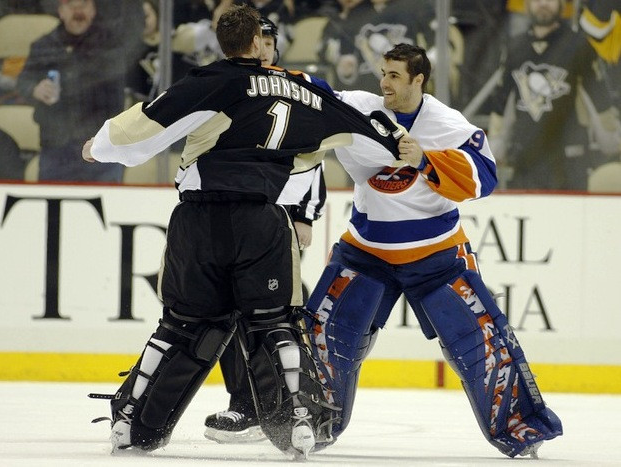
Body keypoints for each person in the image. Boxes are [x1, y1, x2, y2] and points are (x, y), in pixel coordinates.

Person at [203, 43, 564, 458]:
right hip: (366, 251)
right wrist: (267, 72)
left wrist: (426, 159)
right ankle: (310, 423)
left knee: (480, 342)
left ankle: (521, 430)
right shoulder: (360, 107)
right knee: (323, 337)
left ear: (418, 79)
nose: (384, 82)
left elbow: (484, 178)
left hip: (437, 256)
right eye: (383, 73)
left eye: (394, 75)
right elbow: (314, 92)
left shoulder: (448, 124)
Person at [83, 4, 406, 458]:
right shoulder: (303, 89)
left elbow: (146, 124)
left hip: (198, 221)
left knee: (183, 325)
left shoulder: (210, 81)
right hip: (262, 220)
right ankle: (296, 419)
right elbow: (362, 130)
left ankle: (135, 422)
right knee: (275, 322)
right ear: (259, 42)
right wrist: (399, 146)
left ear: (224, 42)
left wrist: (99, 147)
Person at [202, 16, 327, 444]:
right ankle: (248, 404)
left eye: (271, 41)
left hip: (278, 218)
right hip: (235, 213)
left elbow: (317, 154)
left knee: (274, 316)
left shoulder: (299, 86)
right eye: (261, 40)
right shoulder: (234, 86)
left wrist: (306, 214)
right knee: (232, 313)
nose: (265, 48)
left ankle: (287, 407)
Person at [488, 0, 618, 190]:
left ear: (562, 4)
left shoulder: (579, 46)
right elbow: (501, 104)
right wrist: (494, 150)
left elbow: (600, 103)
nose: (543, 4)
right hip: (525, 164)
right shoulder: (515, 48)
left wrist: (612, 142)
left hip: (569, 165)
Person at [16, 0, 125, 182]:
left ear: (93, 10)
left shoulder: (110, 45)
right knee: (52, 204)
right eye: (71, 6)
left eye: (83, 5)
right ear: (60, 11)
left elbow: (118, 94)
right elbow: (23, 80)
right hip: (56, 147)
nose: (78, 12)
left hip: (100, 145)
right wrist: (34, 89)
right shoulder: (44, 45)